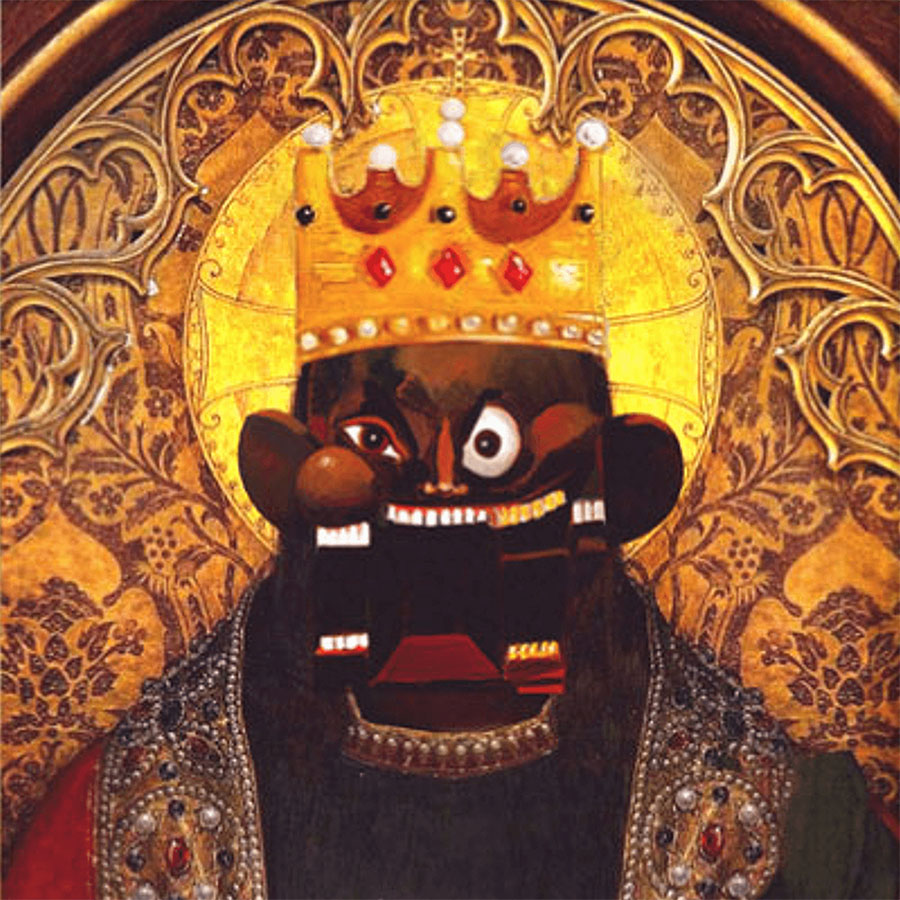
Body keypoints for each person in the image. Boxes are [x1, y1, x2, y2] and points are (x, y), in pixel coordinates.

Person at [5, 94, 897, 900]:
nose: (438, 486)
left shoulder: (788, 827)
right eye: (378, 441)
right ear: (292, 469)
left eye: (489, 445)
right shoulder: (124, 816)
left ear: (615, 473)